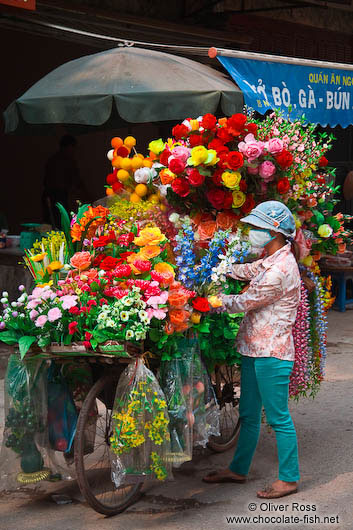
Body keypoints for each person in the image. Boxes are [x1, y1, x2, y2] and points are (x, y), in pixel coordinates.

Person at [203, 200, 301, 499]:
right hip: (253, 348)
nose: (251, 233)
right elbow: (248, 270)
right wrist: (215, 269)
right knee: (247, 413)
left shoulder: (280, 269)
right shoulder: (270, 258)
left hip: (272, 353)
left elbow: (245, 301)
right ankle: (239, 469)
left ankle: (289, 478)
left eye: (256, 228)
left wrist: (210, 301)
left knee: (277, 418)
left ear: (274, 232)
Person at [42, 135, 86, 228]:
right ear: (67, 147)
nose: (74, 151)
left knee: (59, 221)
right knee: (57, 222)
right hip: (54, 195)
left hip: (60, 195)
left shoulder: (63, 160)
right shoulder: (61, 161)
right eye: (72, 148)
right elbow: (75, 180)